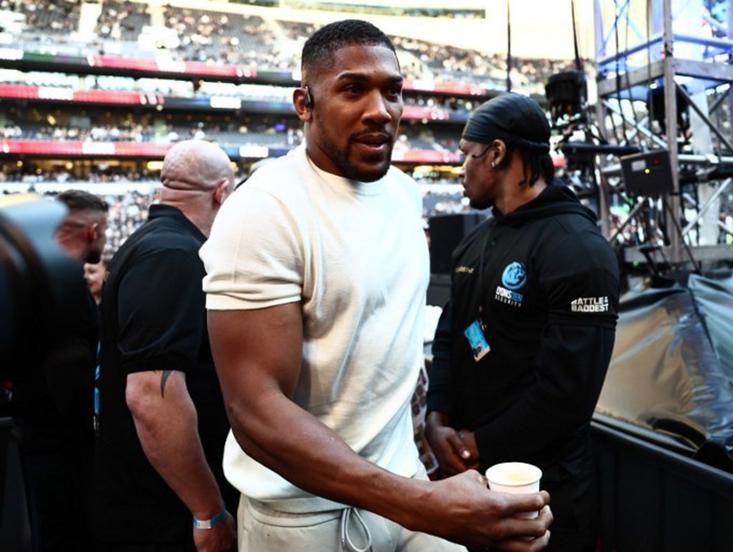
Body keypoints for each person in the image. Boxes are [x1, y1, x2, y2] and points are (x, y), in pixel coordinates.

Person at [201, 19, 552, 552]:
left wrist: (430, 446)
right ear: (304, 104)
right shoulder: (262, 211)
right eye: (353, 89)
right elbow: (255, 413)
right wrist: (423, 504)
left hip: (402, 485)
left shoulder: (405, 195)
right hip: (306, 519)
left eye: (392, 91)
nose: (380, 110)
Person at [425, 93, 620, 552]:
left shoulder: (578, 249)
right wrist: (437, 418)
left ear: (497, 153)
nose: (462, 169)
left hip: (545, 491)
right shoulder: (474, 242)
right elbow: (451, 336)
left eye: (468, 156)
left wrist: (477, 443)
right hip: (471, 479)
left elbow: (567, 395)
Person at [93, 140, 238, 552]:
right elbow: (151, 398)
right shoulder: (171, 255)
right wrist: (207, 510)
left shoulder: (156, 242)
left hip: (152, 498)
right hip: (163, 510)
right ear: (221, 193)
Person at [13, 190, 108, 551]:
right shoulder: (63, 283)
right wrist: (88, 429)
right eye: (105, 231)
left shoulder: (35, 273)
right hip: (59, 442)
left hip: (35, 430)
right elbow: (66, 370)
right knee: (65, 533)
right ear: (92, 231)